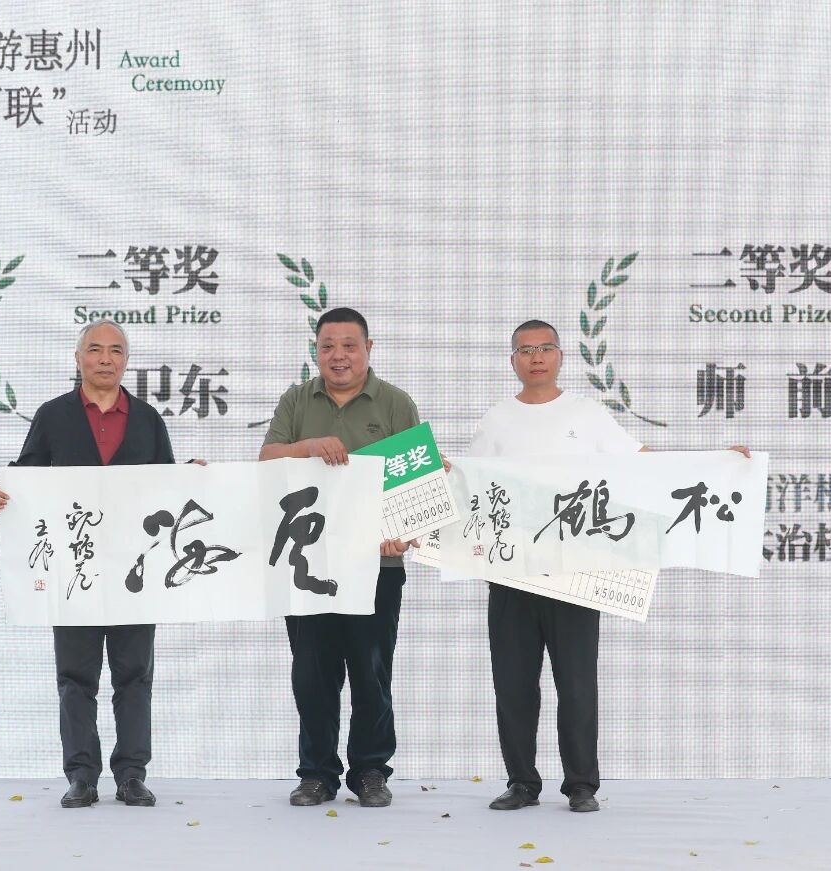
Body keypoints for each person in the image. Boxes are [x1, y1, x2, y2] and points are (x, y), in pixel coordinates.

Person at [470, 319, 750, 813]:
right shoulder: (497, 419)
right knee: (513, 684)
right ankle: (522, 782)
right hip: (513, 571)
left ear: (560, 356)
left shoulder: (587, 413)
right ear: (512, 360)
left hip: (579, 568)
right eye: (525, 350)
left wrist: (716, 464)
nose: (536, 357)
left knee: (577, 682)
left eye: (545, 348)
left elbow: (643, 461)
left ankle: (581, 784)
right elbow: (469, 482)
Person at [0, 319, 176, 809]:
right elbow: (26, 477)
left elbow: (170, 487)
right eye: (95, 349)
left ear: (126, 360)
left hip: (134, 572)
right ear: (78, 358)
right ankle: (81, 776)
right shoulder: (53, 416)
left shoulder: (148, 419)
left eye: (115, 350)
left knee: (135, 676)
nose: (105, 359)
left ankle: (131, 775)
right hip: (74, 571)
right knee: (75, 678)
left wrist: (195, 480)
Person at [259, 307, 420, 809]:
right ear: (316, 351)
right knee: (312, 674)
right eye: (328, 346)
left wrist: (401, 534)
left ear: (369, 349)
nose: (338, 356)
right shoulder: (296, 400)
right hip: (307, 566)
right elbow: (266, 460)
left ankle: (370, 771)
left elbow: (414, 482)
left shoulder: (395, 403)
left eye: (349, 345)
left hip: (376, 567)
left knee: (372, 674)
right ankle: (316, 773)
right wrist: (307, 446)